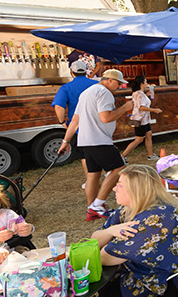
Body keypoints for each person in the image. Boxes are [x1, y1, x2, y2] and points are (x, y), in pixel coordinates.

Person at [92, 164, 178, 297]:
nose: (114, 189)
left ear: (136, 191)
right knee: (107, 286)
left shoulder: (156, 219)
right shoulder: (128, 209)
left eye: (120, 185)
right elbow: (94, 241)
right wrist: (110, 231)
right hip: (173, 265)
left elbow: (103, 258)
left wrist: (108, 239)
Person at [60, 69, 133, 221]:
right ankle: (98, 205)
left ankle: (91, 209)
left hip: (85, 140)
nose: (119, 87)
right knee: (118, 168)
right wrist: (125, 108)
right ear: (110, 80)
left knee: (93, 174)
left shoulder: (86, 93)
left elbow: (74, 121)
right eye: (118, 83)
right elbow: (106, 118)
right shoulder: (104, 93)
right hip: (99, 139)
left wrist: (66, 141)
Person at [52, 60, 97, 184]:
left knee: (84, 155)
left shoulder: (66, 87)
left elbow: (59, 107)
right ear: (86, 72)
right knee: (99, 151)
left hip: (78, 127)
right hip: (98, 124)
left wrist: (62, 122)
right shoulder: (96, 85)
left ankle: (91, 180)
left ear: (72, 72)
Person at [121, 76, 162, 160]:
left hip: (144, 119)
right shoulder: (138, 93)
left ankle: (151, 155)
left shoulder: (140, 93)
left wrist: (146, 95)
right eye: (146, 82)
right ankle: (122, 156)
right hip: (140, 119)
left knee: (148, 134)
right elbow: (141, 107)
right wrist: (154, 110)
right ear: (141, 83)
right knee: (138, 139)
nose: (147, 84)